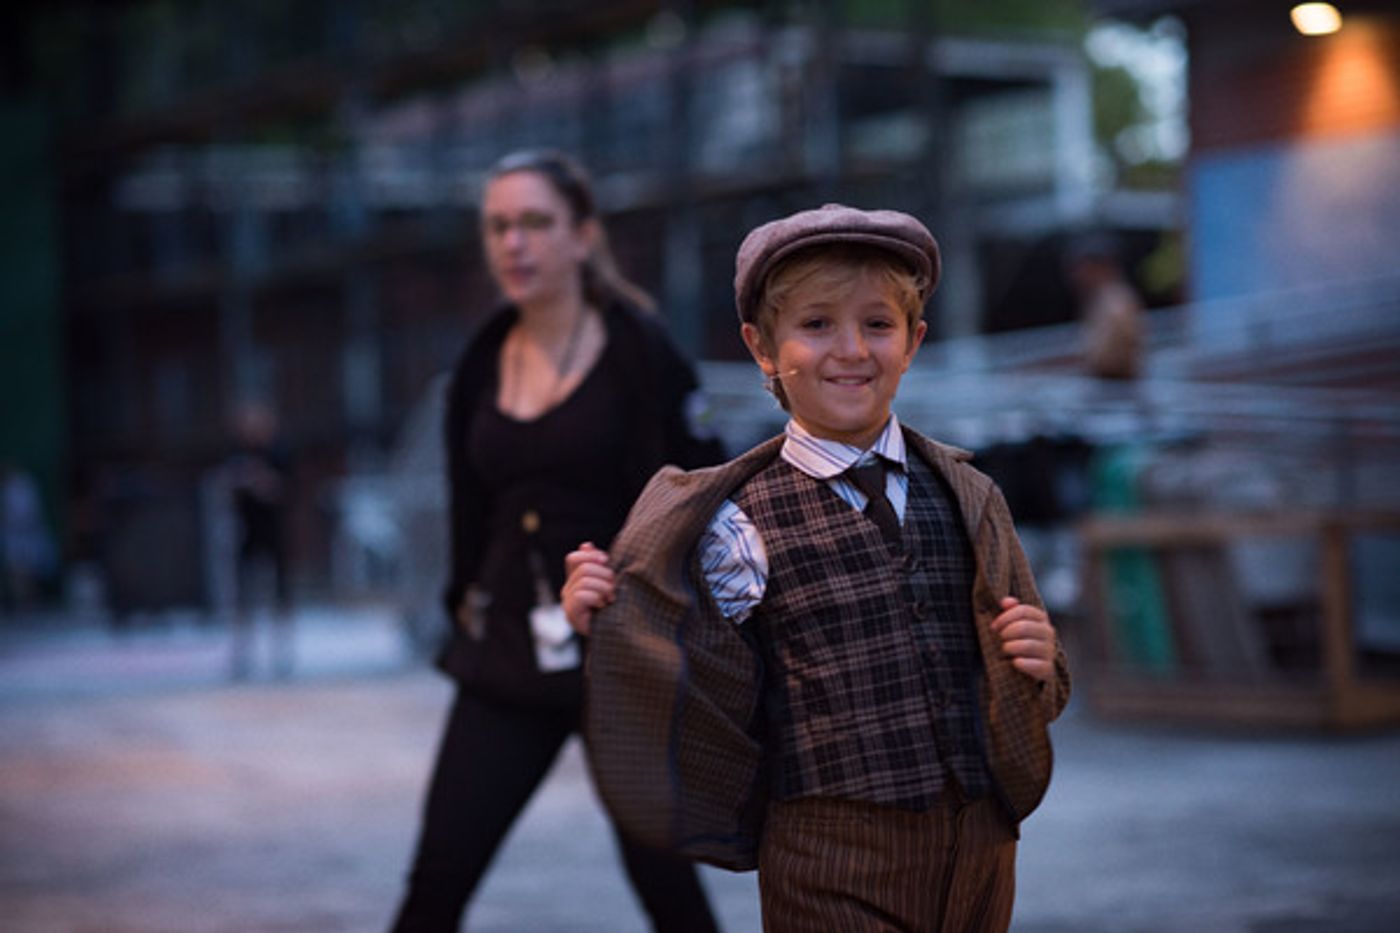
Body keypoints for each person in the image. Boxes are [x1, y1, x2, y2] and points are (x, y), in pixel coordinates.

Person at [563, 204, 1071, 931]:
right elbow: (687, 686)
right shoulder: (729, 523)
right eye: (816, 324)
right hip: (827, 854)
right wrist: (606, 620)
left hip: (981, 851)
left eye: (877, 324)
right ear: (762, 348)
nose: (851, 349)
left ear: (913, 341)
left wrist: (1041, 660)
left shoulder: (971, 495)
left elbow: (1044, 680)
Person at [390, 149, 724, 933]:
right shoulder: (480, 360)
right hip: (511, 647)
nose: (514, 243)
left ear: (583, 236)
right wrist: (461, 602)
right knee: (439, 874)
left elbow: (705, 490)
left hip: (624, 649)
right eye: (499, 226)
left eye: (536, 222)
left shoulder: (642, 349)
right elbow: (470, 507)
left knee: (667, 885)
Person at [224, 401, 294, 679]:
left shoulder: (279, 453)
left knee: (280, 593)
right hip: (247, 532)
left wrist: (262, 482)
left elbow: (284, 491)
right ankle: (242, 654)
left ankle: (282, 654)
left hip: (274, 532)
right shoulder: (237, 455)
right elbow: (228, 491)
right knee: (243, 595)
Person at [1066, 231, 1145, 381]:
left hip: (1117, 386)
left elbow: (1111, 360)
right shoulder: (1101, 299)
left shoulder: (1117, 302)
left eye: (1082, 267)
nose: (1076, 275)